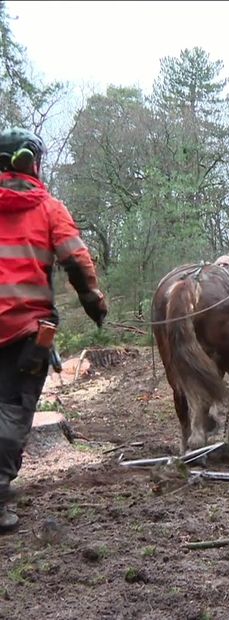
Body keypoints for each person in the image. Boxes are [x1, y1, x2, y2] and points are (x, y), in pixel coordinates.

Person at [0, 127, 108, 532]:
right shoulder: (48, 208)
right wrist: (95, 306)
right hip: (25, 332)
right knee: (12, 410)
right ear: (33, 163)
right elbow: (78, 264)